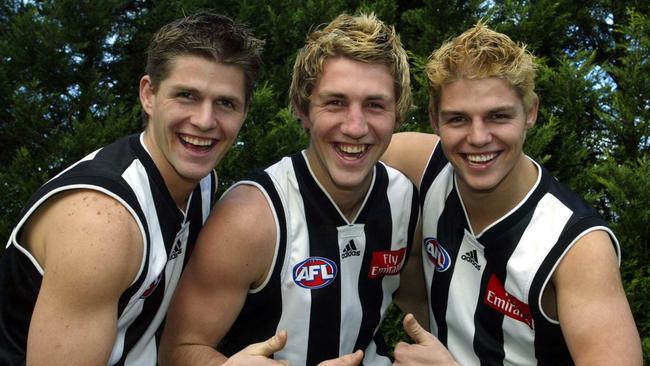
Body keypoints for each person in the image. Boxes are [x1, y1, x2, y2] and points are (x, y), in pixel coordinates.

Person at [0, 10, 265, 365]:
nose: (205, 121)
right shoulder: (102, 222)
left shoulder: (202, 184)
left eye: (226, 103)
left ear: (245, 112)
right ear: (148, 95)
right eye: (186, 95)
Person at [159, 12, 420, 366]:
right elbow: (177, 351)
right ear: (302, 109)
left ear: (398, 114)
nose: (356, 127)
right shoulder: (252, 216)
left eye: (374, 105)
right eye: (335, 102)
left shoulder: (406, 199)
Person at [383, 22, 643, 365]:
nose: (478, 138)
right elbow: (326, 169)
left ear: (530, 112)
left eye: (498, 116)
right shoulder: (423, 165)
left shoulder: (577, 248)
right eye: (458, 119)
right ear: (433, 119)